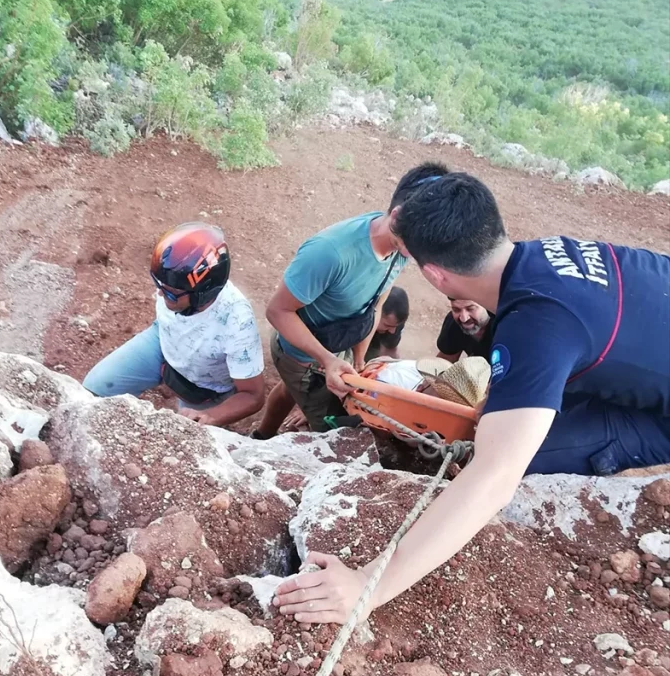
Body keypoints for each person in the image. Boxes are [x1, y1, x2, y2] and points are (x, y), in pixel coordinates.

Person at [274, 171, 670, 626]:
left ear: (437, 276)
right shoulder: (547, 254)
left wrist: (369, 586)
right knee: (501, 428)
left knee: (508, 453)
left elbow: (494, 479)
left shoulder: (537, 327)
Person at [265, 163, 449, 433]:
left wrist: (359, 362)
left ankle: (262, 433)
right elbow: (277, 312)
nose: (423, 251)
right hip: (302, 355)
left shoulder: (403, 246)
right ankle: (262, 438)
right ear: (397, 216)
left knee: (288, 392)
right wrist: (327, 361)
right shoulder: (330, 252)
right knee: (334, 427)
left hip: (338, 342)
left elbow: (374, 305)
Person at [83, 222, 265, 427]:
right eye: (158, 284)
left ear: (202, 293)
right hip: (163, 341)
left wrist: (212, 416)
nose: (160, 294)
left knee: (185, 432)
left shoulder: (238, 323)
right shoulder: (177, 285)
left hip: (204, 387)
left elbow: (253, 395)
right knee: (94, 389)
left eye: (169, 293)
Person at [252, 287, 410, 438]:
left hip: (361, 341)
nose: (392, 331)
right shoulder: (349, 313)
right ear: (376, 311)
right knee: (294, 389)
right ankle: (263, 434)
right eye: (388, 325)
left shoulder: (390, 323)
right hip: (329, 344)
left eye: (395, 327)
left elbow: (390, 351)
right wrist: (306, 405)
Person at [437, 297, 494, 362]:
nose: (463, 319)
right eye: (456, 310)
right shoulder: (454, 324)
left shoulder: (504, 329)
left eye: (471, 309)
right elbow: (445, 361)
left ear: (488, 306)